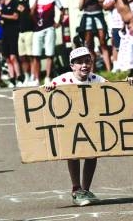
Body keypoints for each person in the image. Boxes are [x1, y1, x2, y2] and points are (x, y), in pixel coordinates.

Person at [43, 46, 113, 206]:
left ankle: (85, 190)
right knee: (72, 152)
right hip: (71, 126)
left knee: (92, 154)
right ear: (72, 66)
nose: (84, 65)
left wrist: (129, 83)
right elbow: (45, 91)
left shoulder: (96, 79)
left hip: (91, 124)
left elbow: (115, 90)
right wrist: (48, 88)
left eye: (87, 61)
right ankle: (76, 188)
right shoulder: (63, 79)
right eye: (80, 62)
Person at [31, 0, 64, 82]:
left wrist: (59, 22)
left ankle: (48, 76)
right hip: (37, 29)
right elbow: (31, 13)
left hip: (49, 27)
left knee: (49, 53)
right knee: (36, 54)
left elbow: (62, 10)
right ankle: (36, 78)